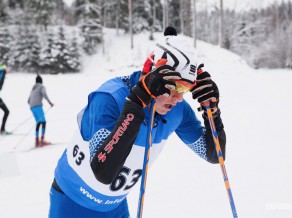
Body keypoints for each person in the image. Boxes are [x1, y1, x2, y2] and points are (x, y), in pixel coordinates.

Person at [49, 35, 226, 218]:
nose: (179, 98)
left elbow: (214, 155)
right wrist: (136, 104)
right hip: (71, 203)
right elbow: (103, 171)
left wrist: (212, 113)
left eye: (185, 89)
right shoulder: (109, 97)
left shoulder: (177, 110)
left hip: (114, 207)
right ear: (152, 75)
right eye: (175, 87)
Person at [28, 74, 54, 147]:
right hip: (38, 106)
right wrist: (50, 103)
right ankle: (42, 140)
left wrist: (33, 105)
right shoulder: (42, 87)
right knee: (44, 122)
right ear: (41, 81)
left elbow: (28, 100)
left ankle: (37, 140)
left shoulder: (33, 89)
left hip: (32, 107)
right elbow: (44, 94)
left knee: (38, 122)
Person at [0, 64, 11, 135]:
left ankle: (2, 130)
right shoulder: (2, 73)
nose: (9, 69)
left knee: (6, 111)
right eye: (8, 68)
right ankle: (2, 130)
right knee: (6, 111)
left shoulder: (2, 73)